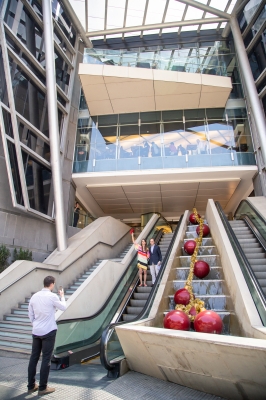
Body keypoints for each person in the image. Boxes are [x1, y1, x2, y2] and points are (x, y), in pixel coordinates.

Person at [27, 276, 67, 396]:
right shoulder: (52, 296)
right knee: (46, 359)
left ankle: (31, 385)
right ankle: (43, 387)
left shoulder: (34, 296)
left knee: (33, 358)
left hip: (36, 331)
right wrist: (62, 296)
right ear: (52, 284)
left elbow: (30, 313)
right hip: (48, 331)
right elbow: (63, 307)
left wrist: (35, 323)